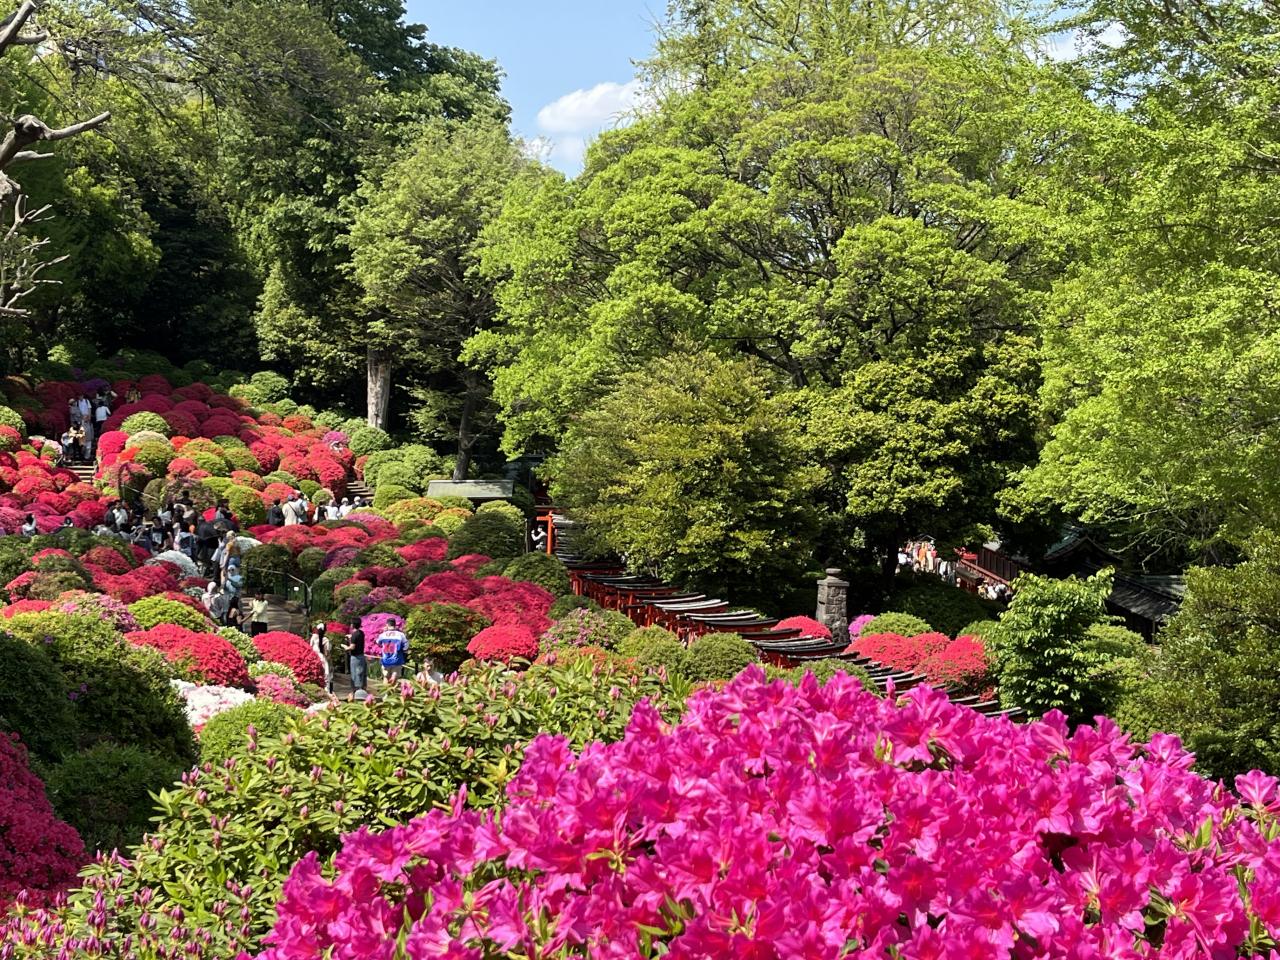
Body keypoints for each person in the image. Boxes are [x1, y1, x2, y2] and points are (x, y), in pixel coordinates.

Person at [343, 622, 367, 693]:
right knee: (361, 672)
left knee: (355, 674)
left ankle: (357, 691)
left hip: (355, 657)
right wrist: (350, 637)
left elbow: (352, 647)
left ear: (352, 625)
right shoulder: (361, 633)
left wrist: (345, 647)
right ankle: (362, 689)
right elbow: (356, 638)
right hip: (361, 656)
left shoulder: (354, 635)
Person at [310, 622, 332, 694]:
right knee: (326, 675)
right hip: (323, 658)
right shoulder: (326, 640)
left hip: (314, 658)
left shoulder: (313, 637)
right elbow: (327, 653)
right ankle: (327, 692)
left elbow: (310, 647)